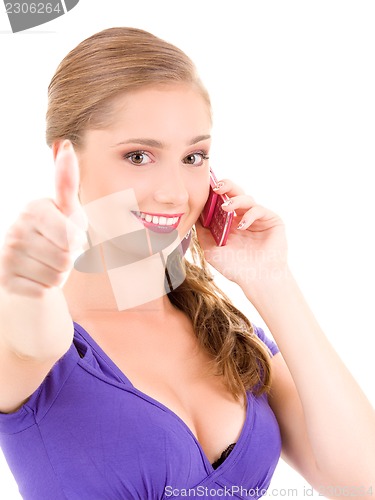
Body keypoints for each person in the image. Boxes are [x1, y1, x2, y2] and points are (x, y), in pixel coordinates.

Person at [0, 27, 374, 500]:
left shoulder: (233, 340)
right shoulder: (38, 341)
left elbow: (362, 483)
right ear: (66, 162)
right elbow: (33, 333)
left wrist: (271, 281)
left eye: (193, 157)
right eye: (139, 156)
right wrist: (29, 279)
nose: (175, 192)